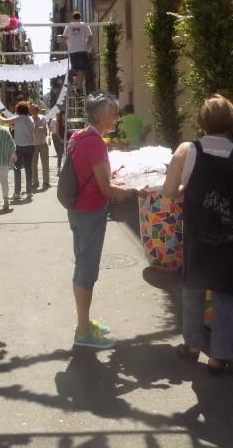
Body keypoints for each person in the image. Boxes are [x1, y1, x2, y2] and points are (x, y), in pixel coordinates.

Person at [161, 95, 233, 375]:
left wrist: (187, 189)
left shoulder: (187, 150)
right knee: (224, 293)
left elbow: (169, 191)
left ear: (202, 121)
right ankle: (219, 357)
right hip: (232, 236)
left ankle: (192, 346)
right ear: (232, 123)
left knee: (193, 288)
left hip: (198, 232)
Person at [67, 93, 135, 349]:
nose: (117, 118)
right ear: (99, 115)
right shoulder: (94, 142)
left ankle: (84, 322)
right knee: (86, 271)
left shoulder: (79, 136)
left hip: (78, 209)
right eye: (114, 113)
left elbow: (94, 175)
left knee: (83, 266)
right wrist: (135, 190)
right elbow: (105, 188)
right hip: (90, 213)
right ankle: (83, 332)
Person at [5, 100, 36, 199]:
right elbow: (32, 131)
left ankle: (17, 192)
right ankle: (29, 192)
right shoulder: (30, 119)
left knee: (17, 169)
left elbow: (5, 121)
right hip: (30, 146)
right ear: (27, 109)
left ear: (18, 109)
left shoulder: (17, 118)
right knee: (28, 168)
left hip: (18, 147)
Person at [62, 12, 92, 93]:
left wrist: (70, 44)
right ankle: (78, 87)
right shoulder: (84, 25)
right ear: (80, 18)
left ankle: (72, 85)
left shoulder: (68, 26)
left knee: (74, 69)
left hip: (72, 51)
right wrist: (85, 43)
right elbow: (89, 37)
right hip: (82, 50)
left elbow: (64, 38)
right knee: (81, 69)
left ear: (73, 18)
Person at [31, 104, 52, 189]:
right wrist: (36, 128)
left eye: (37, 110)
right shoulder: (29, 119)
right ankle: (35, 182)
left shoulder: (43, 118)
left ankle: (46, 182)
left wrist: (34, 128)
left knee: (45, 164)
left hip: (43, 143)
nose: (35, 111)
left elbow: (43, 128)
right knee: (33, 164)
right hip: (33, 144)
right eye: (34, 110)